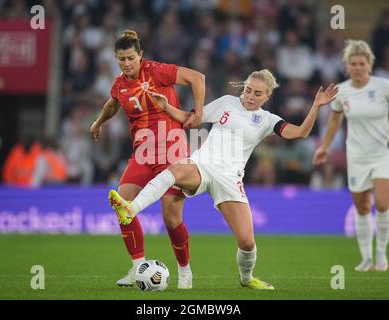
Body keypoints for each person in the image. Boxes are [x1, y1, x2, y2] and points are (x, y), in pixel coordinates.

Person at [108, 69, 337, 289]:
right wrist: (167, 107)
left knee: (247, 243)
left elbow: (300, 133)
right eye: (248, 90)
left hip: (230, 179)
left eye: (257, 93)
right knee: (176, 170)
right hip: (203, 165)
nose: (250, 96)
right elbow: (193, 119)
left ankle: (246, 278)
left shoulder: (267, 120)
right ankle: (130, 208)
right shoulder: (227, 102)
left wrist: (316, 106)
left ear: (267, 96)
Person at [90, 30, 205, 288]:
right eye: (121, 59)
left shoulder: (157, 71)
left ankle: (185, 272)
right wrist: (98, 123)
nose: (127, 63)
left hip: (171, 151)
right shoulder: (120, 83)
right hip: (142, 154)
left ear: (140, 55)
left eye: (131, 58)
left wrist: (198, 112)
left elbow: (198, 78)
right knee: (123, 205)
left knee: (171, 218)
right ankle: (136, 268)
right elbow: (113, 104)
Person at [313, 40, 389, 272]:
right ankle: (366, 258)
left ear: (369, 64)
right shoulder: (341, 91)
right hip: (356, 155)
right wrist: (324, 147)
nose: (357, 67)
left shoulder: (383, 87)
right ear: (347, 66)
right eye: (353, 63)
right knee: (363, 207)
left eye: (361, 63)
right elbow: (335, 119)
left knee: (384, 203)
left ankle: (381, 254)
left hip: (382, 153)